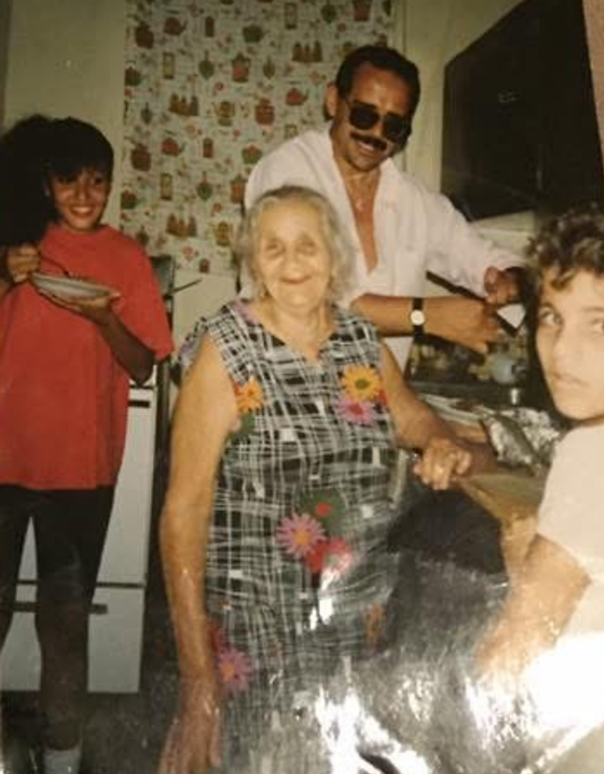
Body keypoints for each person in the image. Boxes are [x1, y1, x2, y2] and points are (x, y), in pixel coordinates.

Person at [159, 185, 494, 774]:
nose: (292, 264)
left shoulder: (360, 341)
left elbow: (406, 412)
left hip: (355, 621)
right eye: (274, 248)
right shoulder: (226, 349)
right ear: (253, 260)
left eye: (307, 246)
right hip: (257, 627)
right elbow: (183, 511)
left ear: (334, 257)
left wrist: (437, 436)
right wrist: (196, 680)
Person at [0, 115, 174, 774]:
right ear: (45, 183)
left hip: (82, 468)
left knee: (65, 623)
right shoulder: (17, 244)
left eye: (97, 181)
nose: (83, 193)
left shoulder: (127, 258)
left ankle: (64, 755)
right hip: (5, 459)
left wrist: (105, 316)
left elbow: (143, 366)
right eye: (69, 179)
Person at [424, 207, 604, 772]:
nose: (562, 350)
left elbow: (506, 665)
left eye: (598, 322)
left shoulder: (590, 455)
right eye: (552, 316)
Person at [245, 43, 523, 370]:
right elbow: (311, 300)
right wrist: (427, 315)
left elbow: (486, 259)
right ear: (334, 100)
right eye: (364, 114)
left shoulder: (414, 201)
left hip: (373, 402)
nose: (375, 134)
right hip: (279, 387)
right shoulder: (288, 172)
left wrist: (510, 280)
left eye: (393, 126)